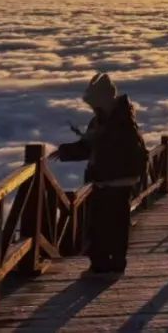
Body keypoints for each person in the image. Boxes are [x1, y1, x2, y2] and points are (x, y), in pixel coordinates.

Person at [57, 73, 148, 275]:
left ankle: (114, 261)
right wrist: (65, 152)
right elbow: (90, 147)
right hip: (103, 179)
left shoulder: (122, 121)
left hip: (118, 180)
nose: (92, 107)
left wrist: (96, 141)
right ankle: (100, 261)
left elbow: (112, 148)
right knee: (99, 222)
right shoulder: (103, 120)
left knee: (114, 222)